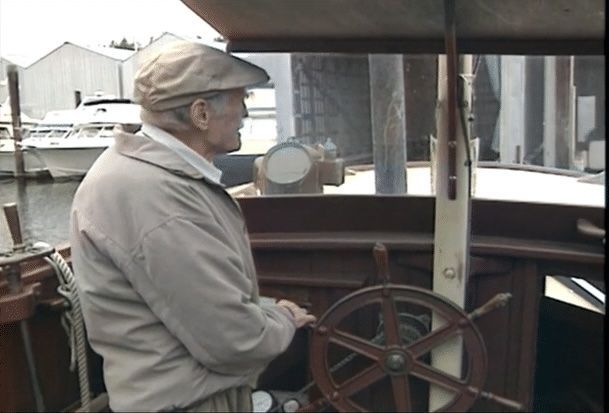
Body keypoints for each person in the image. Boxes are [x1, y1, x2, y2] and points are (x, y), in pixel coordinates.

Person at [70, 41, 316, 412]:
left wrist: (265, 311)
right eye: (239, 99)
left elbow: (196, 301)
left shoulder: (151, 179)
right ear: (201, 113)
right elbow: (233, 341)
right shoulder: (154, 196)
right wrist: (282, 318)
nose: (245, 112)